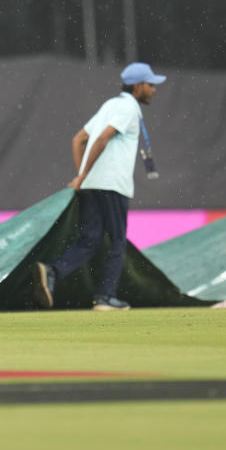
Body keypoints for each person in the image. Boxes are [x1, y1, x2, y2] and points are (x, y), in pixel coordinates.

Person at [33, 62, 166, 312]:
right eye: (150, 85)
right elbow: (103, 137)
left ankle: (52, 271)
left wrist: (83, 177)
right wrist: (82, 174)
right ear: (138, 87)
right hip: (112, 185)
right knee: (117, 242)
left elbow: (79, 139)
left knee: (90, 239)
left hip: (92, 185)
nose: (154, 90)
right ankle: (105, 298)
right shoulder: (128, 107)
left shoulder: (110, 105)